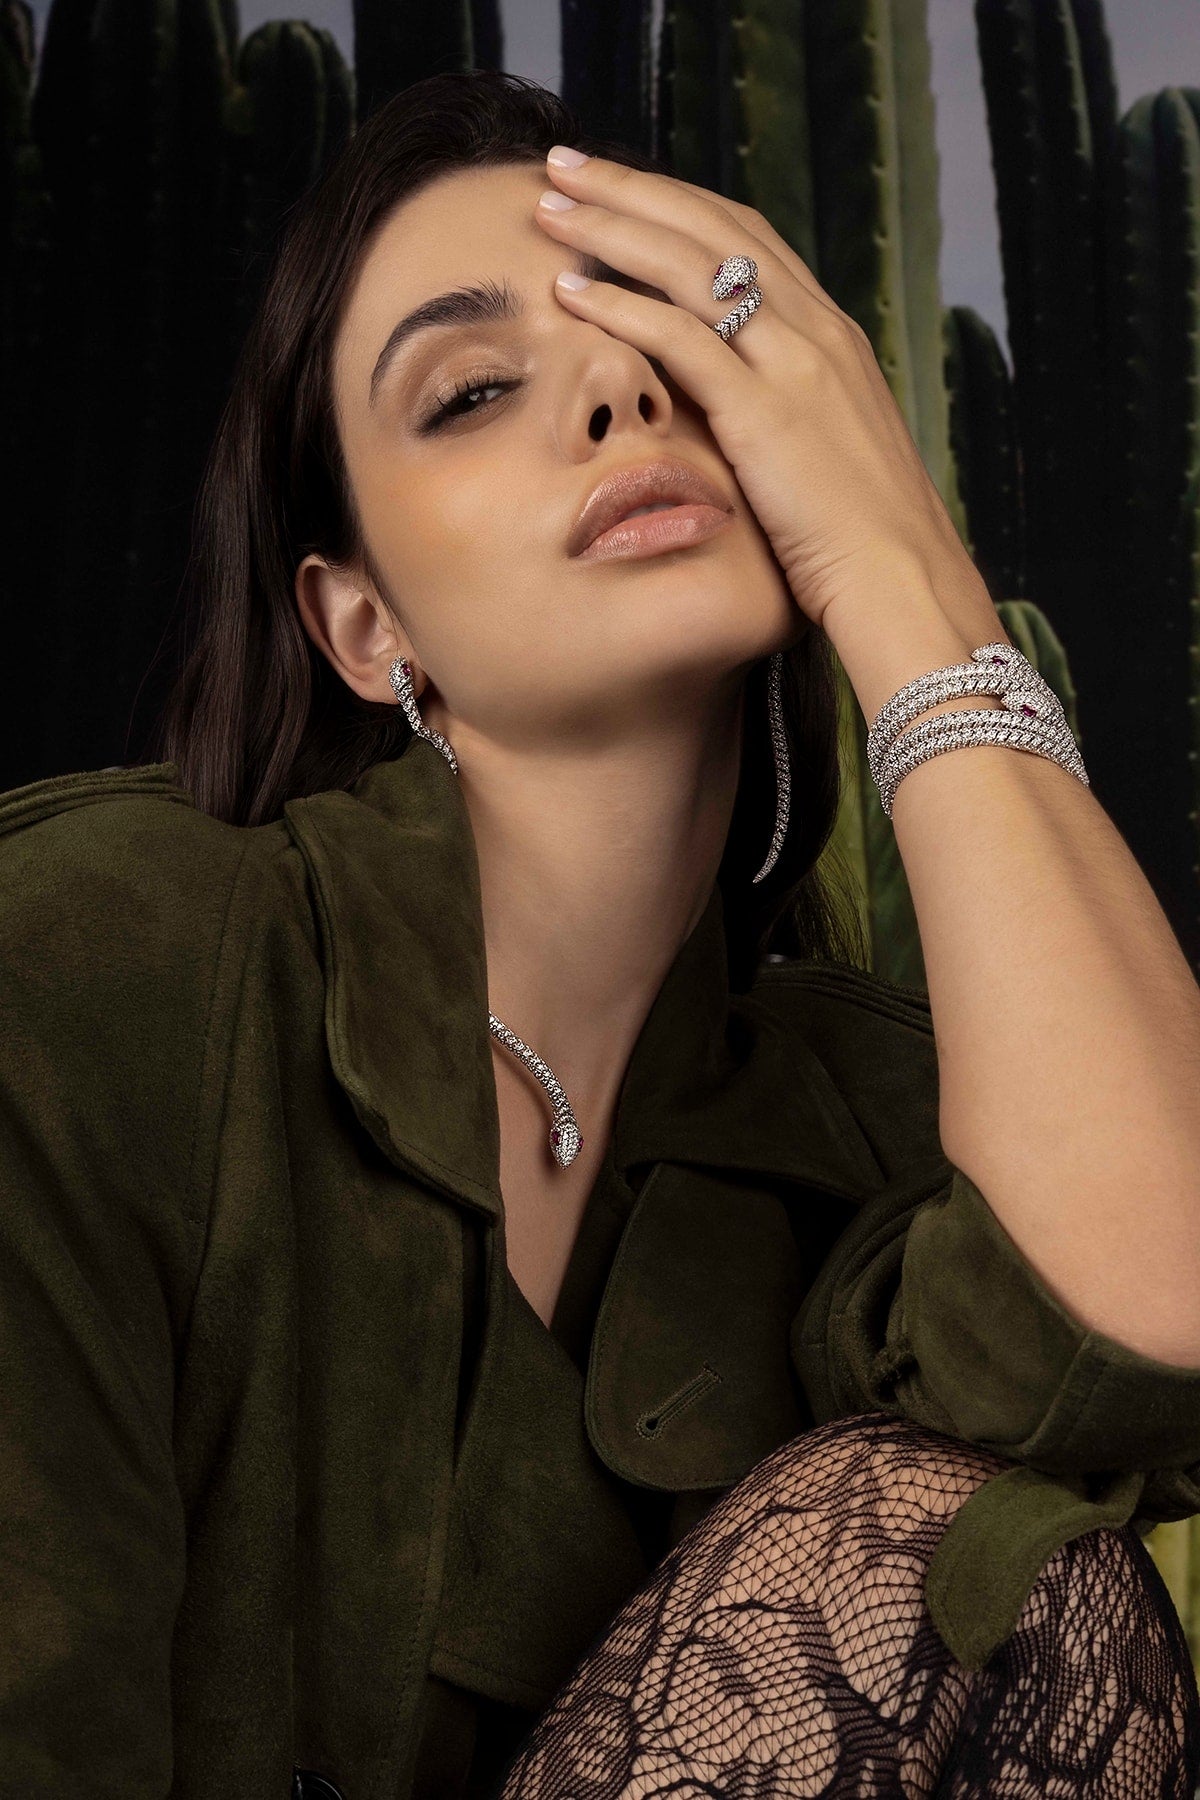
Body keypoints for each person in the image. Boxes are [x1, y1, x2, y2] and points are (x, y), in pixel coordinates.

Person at [1, 65, 1199, 1800]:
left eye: (683, 349)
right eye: (472, 388)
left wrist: (900, 567)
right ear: (360, 625)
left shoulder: (848, 1116)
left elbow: (1158, 1304)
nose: (620, 394)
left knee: (1041, 1588)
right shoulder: (94, 963)